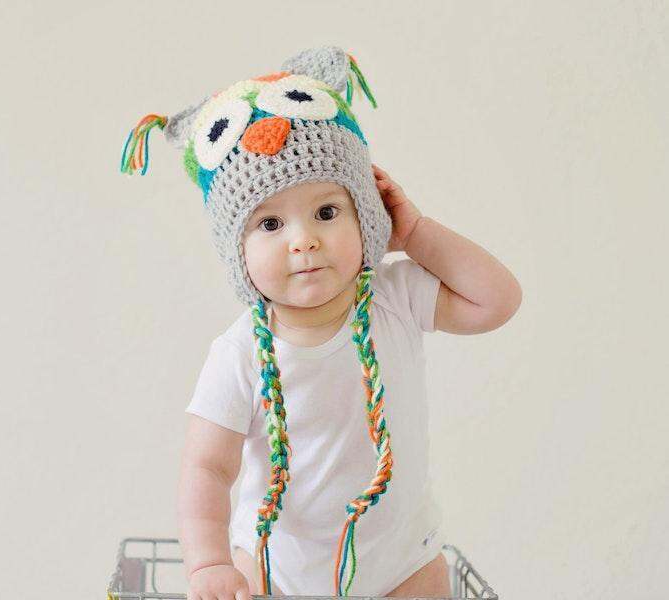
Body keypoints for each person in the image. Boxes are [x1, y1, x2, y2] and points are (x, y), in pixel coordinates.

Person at [120, 45, 521, 599]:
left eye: (327, 213)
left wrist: (415, 233)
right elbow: (207, 469)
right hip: (275, 568)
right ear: (237, 251)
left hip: (402, 563)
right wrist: (209, 564)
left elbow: (495, 301)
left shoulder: (395, 297)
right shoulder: (240, 355)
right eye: (270, 224)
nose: (303, 240)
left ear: (367, 214)